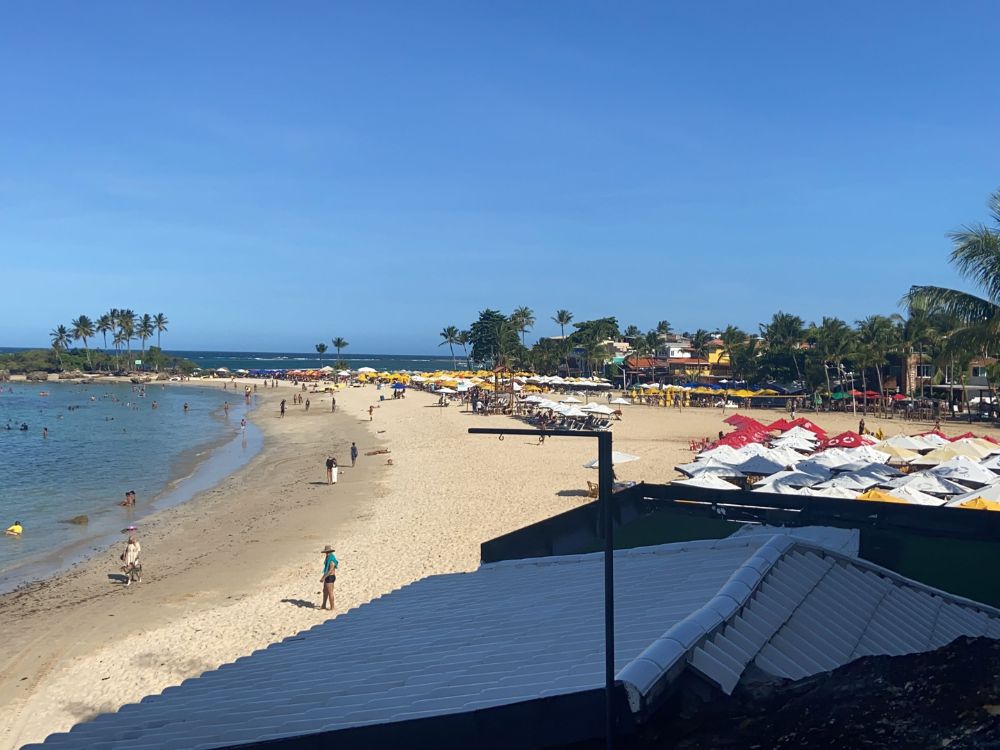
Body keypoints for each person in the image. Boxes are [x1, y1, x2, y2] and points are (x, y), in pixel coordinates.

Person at [319, 545, 339, 610]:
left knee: (330, 592)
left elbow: (330, 570)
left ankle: (332, 607)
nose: (326, 553)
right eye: (326, 552)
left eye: (327, 552)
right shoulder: (328, 557)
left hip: (330, 577)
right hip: (328, 576)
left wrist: (323, 577)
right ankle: (323, 605)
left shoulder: (332, 560)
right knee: (325, 591)